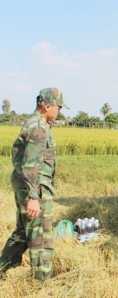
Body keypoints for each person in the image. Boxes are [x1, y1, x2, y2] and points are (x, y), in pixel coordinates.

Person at [0, 88, 68, 280]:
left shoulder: (34, 122)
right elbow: (31, 164)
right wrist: (33, 197)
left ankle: (2, 267)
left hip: (27, 186)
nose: (59, 111)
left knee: (23, 231)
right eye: (58, 107)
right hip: (35, 188)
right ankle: (42, 282)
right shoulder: (39, 127)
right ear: (47, 106)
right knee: (41, 236)